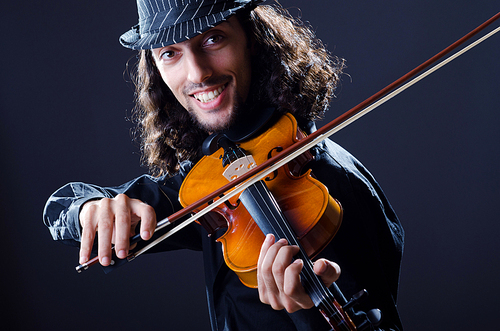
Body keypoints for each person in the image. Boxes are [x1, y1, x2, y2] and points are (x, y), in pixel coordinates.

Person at [43, 1, 404, 330]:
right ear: (155, 66)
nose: (197, 73)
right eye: (170, 53)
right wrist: (88, 211)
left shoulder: (337, 188)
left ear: (252, 38)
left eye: (213, 39)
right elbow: (62, 207)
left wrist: (310, 313)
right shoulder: (219, 174)